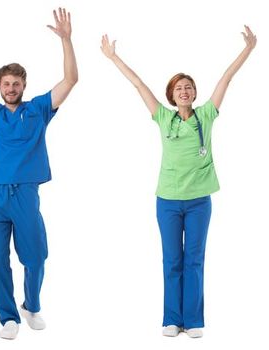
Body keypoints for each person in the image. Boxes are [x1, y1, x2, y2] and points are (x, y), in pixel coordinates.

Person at [100, 26, 256, 339]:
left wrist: (248, 49)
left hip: (199, 201)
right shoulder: (162, 117)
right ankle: (172, 319)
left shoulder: (207, 115)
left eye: (188, 87)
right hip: (168, 201)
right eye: (178, 88)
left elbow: (227, 77)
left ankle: (193, 320)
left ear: (194, 93)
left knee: (194, 260)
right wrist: (113, 57)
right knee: (172, 260)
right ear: (171, 96)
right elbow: (138, 84)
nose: (183, 91)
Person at [0, 8, 78, 340]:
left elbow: (70, 81)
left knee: (36, 255)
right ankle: (8, 318)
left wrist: (66, 39)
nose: (11, 88)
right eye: (6, 83)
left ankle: (32, 305)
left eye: (16, 83)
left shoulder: (37, 109)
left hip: (25, 193)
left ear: (24, 85)